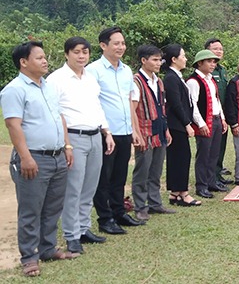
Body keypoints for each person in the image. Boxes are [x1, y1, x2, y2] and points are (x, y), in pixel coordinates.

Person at [2, 41, 77, 277]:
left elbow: (59, 118)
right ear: (24, 62)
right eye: (39, 58)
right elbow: (13, 125)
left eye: (45, 57)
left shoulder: (48, 86)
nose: (45, 61)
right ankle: (29, 258)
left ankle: (47, 248)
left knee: (53, 207)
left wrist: (67, 146)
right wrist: (25, 157)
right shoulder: (14, 90)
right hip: (33, 158)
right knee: (30, 210)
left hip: (56, 156)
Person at [48, 37, 115, 254]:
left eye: (85, 52)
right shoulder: (56, 79)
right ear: (67, 54)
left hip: (95, 135)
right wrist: (66, 144)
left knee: (89, 187)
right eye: (76, 52)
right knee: (73, 189)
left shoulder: (90, 78)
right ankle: (71, 235)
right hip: (73, 138)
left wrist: (107, 132)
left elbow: (97, 107)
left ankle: (84, 229)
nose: (81, 56)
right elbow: (55, 113)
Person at [85, 26, 145, 233]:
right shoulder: (93, 70)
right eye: (116, 43)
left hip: (124, 130)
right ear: (103, 45)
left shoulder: (126, 70)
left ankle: (119, 212)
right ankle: (105, 218)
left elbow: (130, 100)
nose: (121, 47)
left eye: (123, 43)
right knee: (104, 177)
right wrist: (105, 130)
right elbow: (91, 102)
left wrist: (134, 128)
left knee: (120, 175)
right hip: (105, 132)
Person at [131, 45, 175, 221]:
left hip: (160, 129)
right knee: (142, 170)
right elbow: (132, 109)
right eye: (154, 60)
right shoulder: (136, 81)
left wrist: (166, 129)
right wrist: (136, 132)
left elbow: (162, 106)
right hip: (145, 130)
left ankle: (155, 203)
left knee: (156, 169)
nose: (158, 63)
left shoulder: (158, 81)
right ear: (144, 60)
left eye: (159, 60)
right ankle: (140, 206)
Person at [161, 44, 201, 207]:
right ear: (174, 59)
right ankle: (183, 193)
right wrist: (187, 124)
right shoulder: (170, 77)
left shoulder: (177, 76)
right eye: (183, 56)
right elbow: (176, 104)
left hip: (179, 124)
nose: (185, 59)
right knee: (181, 157)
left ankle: (175, 193)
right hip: (176, 124)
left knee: (180, 158)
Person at [186, 49, 229, 199]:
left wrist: (222, 118)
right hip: (205, 120)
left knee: (214, 153)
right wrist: (200, 123)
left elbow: (216, 100)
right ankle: (201, 185)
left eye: (214, 61)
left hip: (216, 118)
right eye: (209, 61)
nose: (213, 64)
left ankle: (212, 181)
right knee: (204, 154)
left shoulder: (211, 79)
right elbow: (193, 105)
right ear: (200, 63)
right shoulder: (193, 81)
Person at [205, 38, 233, 186]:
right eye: (215, 48)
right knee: (210, 148)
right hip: (210, 115)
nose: (219, 51)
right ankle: (209, 178)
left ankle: (218, 174)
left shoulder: (222, 70)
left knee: (221, 145)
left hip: (222, 114)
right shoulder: (206, 70)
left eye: (221, 49)